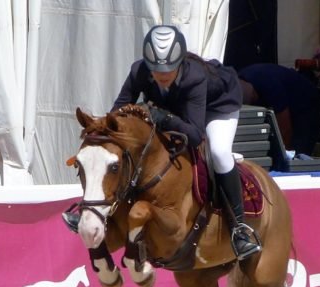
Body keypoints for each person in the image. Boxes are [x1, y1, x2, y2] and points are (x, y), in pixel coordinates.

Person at [112, 25, 261, 261]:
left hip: (217, 106)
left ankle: (240, 230)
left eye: (169, 69)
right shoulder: (139, 71)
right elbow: (117, 111)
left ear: (180, 62)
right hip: (180, 109)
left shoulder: (194, 78)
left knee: (220, 153)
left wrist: (164, 118)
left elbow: (193, 135)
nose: (162, 75)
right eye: (156, 69)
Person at [237, 63, 320, 156]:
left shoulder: (269, 85)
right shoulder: (238, 82)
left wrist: (285, 155)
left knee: (299, 151)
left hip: (307, 103)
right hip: (287, 97)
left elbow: (285, 127)